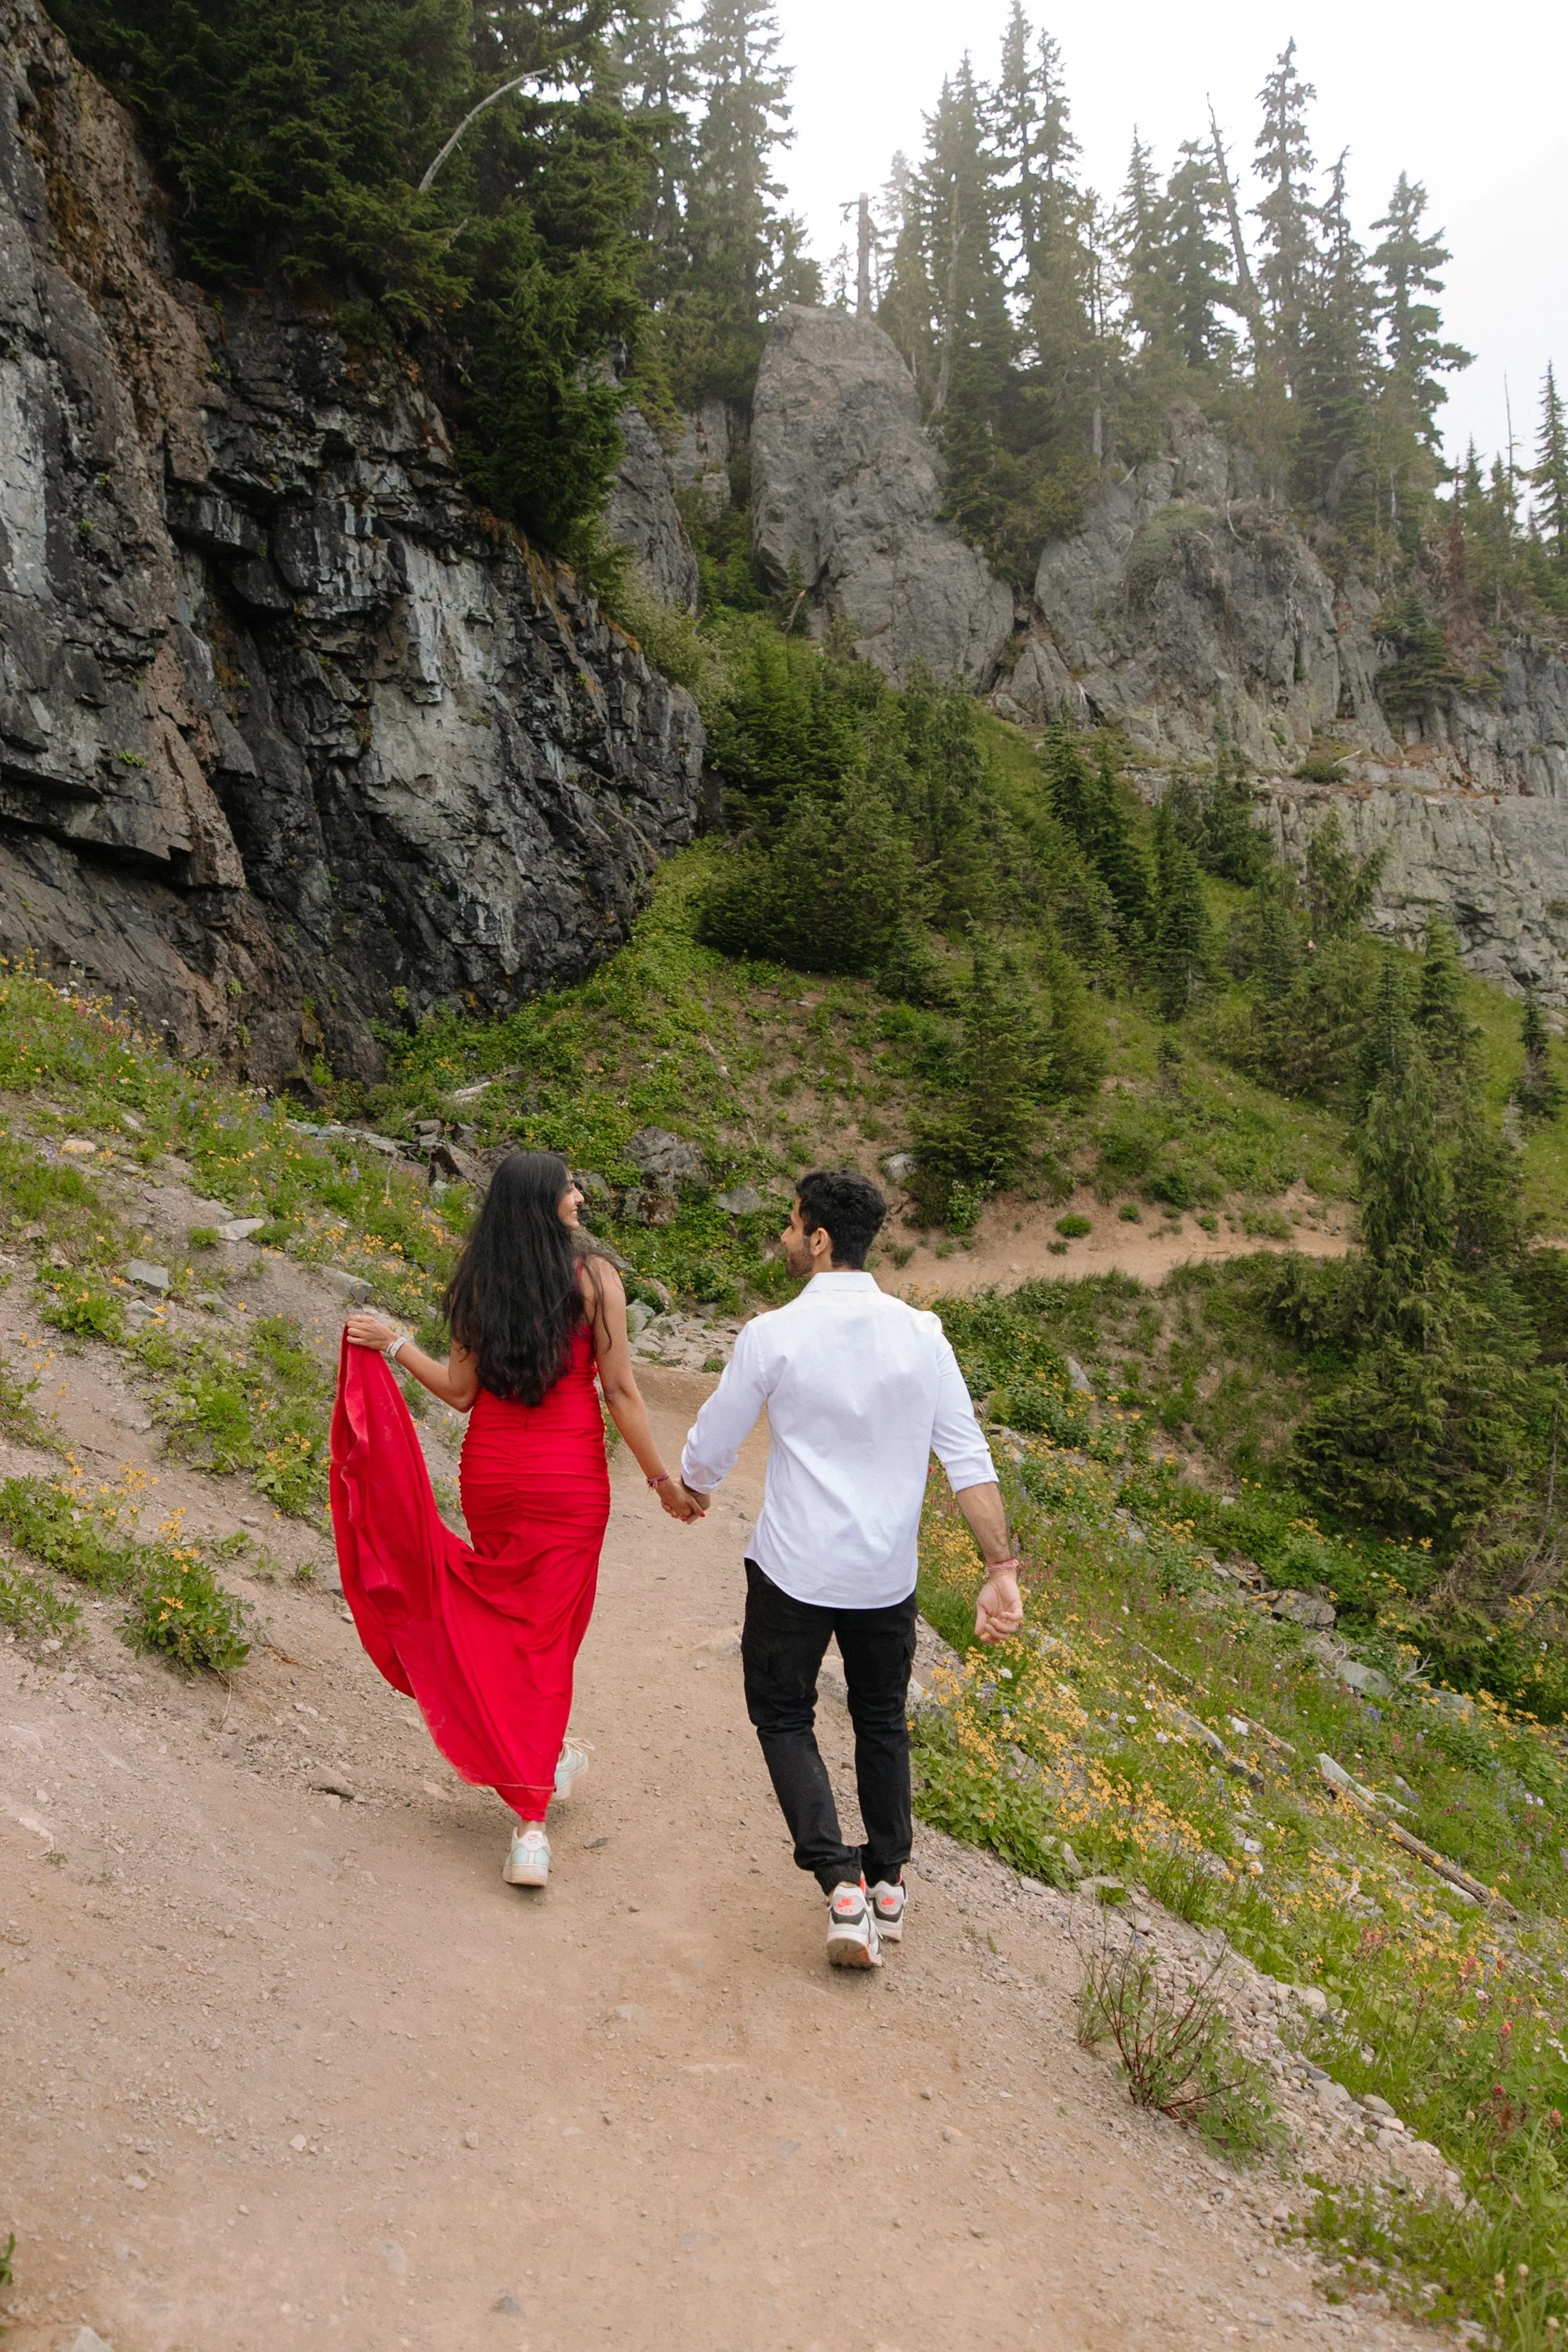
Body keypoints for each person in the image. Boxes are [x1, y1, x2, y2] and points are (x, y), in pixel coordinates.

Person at [677, 1168, 1023, 1969]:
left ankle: (840, 1884)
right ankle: (888, 1883)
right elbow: (966, 1459)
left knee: (783, 1716)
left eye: (791, 1224)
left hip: (793, 1571)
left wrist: (693, 1484)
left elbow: (714, 1440)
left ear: (821, 1238)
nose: (784, 1237)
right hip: (884, 1578)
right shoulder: (922, 1335)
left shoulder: (773, 1334)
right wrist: (999, 1567)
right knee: (880, 1719)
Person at [332, 1149, 698, 1891]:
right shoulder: (596, 1279)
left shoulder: (480, 1278)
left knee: (511, 1619)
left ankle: (544, 1754)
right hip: (569, 1480)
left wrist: (395, 1344)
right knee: (548, 1636)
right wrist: (662, 1479)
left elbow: (459, 1392)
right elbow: (621, 1391)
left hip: (493, 1476)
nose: (580, 1194)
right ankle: (530, 1823)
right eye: (570, 1186)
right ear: (543, 1199)